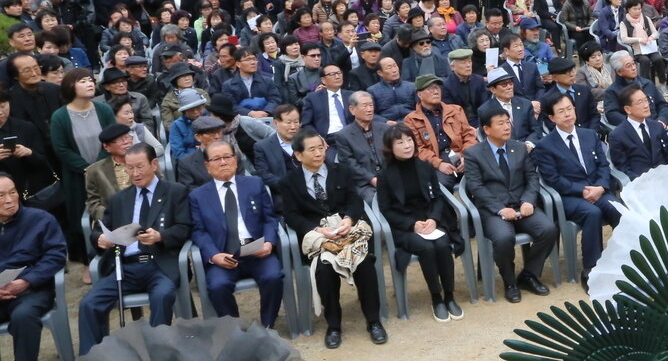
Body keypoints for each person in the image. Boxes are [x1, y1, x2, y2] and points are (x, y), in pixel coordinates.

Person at [77, 144, 191, 355]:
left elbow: (185, 228)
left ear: (154, 164)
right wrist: (100, 239)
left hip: (159, 265)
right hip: (125, 267)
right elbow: (98, 231)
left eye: (140, 167)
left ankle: (159, 355)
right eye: (130, 168)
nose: (135, 173)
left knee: (162, 295)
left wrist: (160, 236)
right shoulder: (119, 199)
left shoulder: (175, 192)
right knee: (89, 304)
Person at [278, 130, 382, 348]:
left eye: (321, 147)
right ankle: (334, 325)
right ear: (298, 155)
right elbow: (292, 215)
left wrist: (349, 219)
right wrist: (316, 229)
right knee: (324, 270)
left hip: (346, 231)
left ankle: (373, 320)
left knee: (364, 263)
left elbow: (355, 200)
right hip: (319, 237)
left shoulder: (340, 171)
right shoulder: (289, 182)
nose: (318, 153)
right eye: (312, 149)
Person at [0, 172, 66, 361]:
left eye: (12, 192)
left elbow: (56, 255)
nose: (10, 199)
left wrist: (26, 281)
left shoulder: (40, 219)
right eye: (1, 195)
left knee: (23, 317)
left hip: (32, 290)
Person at [462, 109, 557, 302]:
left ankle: (528, 274)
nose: (507, 127)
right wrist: (499, 208)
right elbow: (476, 187)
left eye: (508, 122)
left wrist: (528, 200)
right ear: (487, 129)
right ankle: (510, 281)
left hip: (522, 205)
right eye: (500, 123)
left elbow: (532, 177)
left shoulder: (519, 147)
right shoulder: (473, 154)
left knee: (548, 229)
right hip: (494, 211)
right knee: (504, 237)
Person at [188, 140, 285, 330]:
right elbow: (198, 231)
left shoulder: (254, 184)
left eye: (227, 157)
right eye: (216, 159)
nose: (223, 162)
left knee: (273, 276)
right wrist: (214, 255)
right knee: (217, 286)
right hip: (224, 254)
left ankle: (267, 325)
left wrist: (269, 243)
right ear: (207, 166)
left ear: (236, 160)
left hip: (257, 249)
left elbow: (270, 218)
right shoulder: (197, 196)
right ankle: (235, 331)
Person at [534, 91, 622, 287]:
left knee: (618, 208)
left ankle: (629, 257)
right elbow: (553, 179)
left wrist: (600, 186)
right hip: (569, 196)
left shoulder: (589, 134)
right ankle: (591, 268)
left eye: (569, 109)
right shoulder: (545, 146)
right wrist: (582, 190)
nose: (567, 114)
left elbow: (603, 165)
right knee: (592, 213)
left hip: (597, 190)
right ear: (551, 117)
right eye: (561, 112)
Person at [378, 123, 463, 321]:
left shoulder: (424, 167)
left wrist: (433, 219)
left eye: (409, 140)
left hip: (430, 219)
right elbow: (386, 209)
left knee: (442, 245)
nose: (407, 145)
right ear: (390, 147)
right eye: (400, 142)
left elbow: (437, 198)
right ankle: (436, 298)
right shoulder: (385, 175)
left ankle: (449, 296)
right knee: (427, 248)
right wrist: (412, 225)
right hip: (406, 226)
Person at [51, 69, 116, 262]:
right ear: (71, 85)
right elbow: (61, 149)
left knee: (109, 210)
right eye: (83, 81)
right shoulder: (60, 116)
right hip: (76, 175)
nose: (89, 84)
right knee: (79, 217)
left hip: (106, 171)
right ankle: (87, 261)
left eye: (90, 80)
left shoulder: (103, 110)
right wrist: (85, 168)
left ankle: (112, 254)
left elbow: (112, 138)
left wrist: (97, 166)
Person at [607, 84, 668, 179]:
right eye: (640, 102)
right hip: (639, 184)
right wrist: (643, 182)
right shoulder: (617, 135)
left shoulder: (657, 126)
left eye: (646, 100)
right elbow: (623, 168)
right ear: (628, 109)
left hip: (665, 178)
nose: (646, 105)